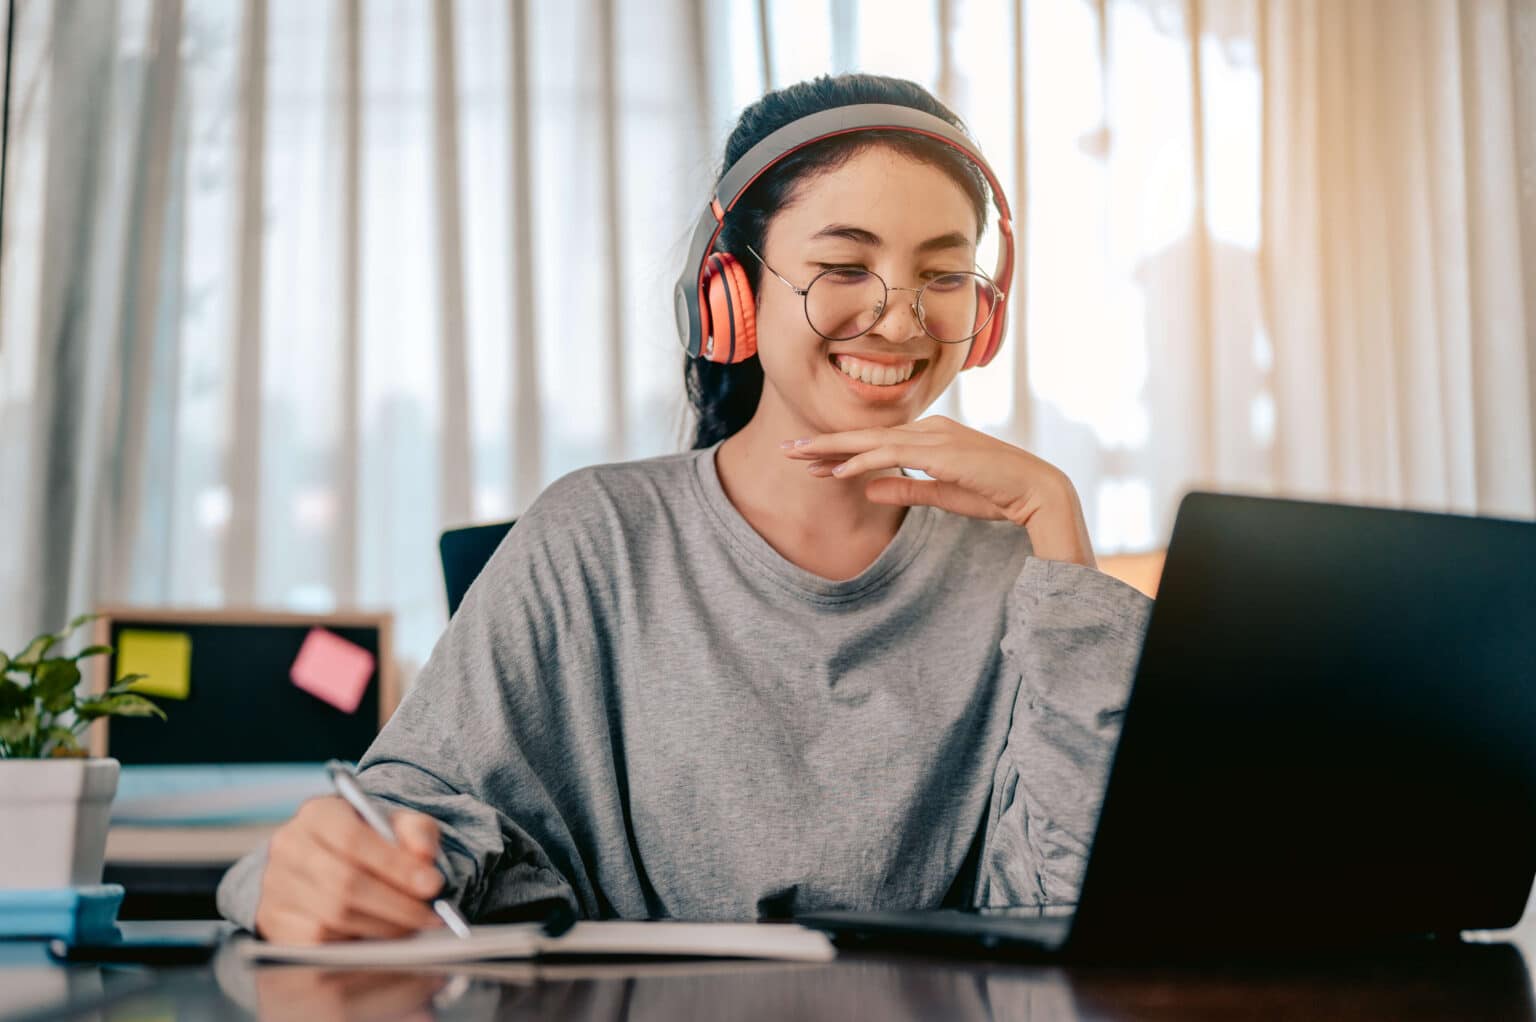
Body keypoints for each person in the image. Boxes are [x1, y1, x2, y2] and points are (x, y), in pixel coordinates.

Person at [218, 73, 1152, 944]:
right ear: (730, 295)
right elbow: (415, 814)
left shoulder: (1022, 579)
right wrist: (299, 875)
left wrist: (1058, 526)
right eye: (843, 267)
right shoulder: (596, 538)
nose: (902, 322)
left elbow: (1067, 910)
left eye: (944, 277)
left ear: (983, 317)